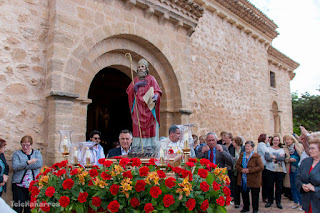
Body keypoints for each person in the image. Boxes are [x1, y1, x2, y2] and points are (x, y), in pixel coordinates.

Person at [126, 58, 162, 154]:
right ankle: (137, 146)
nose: (140, 68)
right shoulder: (135, 80)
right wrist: (135, 87)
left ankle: (150, 146)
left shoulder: (151, 79)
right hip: (138, 108)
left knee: (149, 127)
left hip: (148, 108)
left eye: (142, 66)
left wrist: (156, 96)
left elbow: (157, 91)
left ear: (146, 68)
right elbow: (129, 91)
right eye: (139, 67)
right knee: (137, 127)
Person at [12, 135, 43, 213]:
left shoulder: (36, 153)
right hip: (19, 185)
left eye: (27, 145)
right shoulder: (17, 154)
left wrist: (23, 165)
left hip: (32, 186)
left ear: (31, 144)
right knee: (18, 207)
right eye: (23, 145)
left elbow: (39, 164)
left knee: (29, 208)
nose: (25, 147)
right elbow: (15, 166)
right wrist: (28, 162)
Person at [236, 141, 264, 213]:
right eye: (246, 146)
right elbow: (237, 165)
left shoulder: (256, 156)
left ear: (252, 147)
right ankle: (246, 207)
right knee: (244, 194)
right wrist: (242, 170)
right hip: (243, 178)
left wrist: (249, 170)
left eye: (248, 146)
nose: (247, 148)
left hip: (254, 179)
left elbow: (261, 167)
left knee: (255, 195)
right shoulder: (242, 155)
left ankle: (255, 209)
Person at [296, 136, 320, 212]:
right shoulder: (305, 162)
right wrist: (302, 185)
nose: (310, 151)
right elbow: (298, 177)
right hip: (307, 201)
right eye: (309, 148)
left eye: (313, 148)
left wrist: (315, 189)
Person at [264, 136, 286, 209]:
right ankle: (270, 201)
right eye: (274, 140)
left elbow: (282, 158)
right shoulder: (268, 149)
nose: (276, 142)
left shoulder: (282, 150)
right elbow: (267, 158)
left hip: (279, 170)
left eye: (277, 140)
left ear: (279, 142)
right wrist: (277, 157)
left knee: (279, 187)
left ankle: (278, 202)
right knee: (270, 186)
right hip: (270, 170)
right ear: (272, 141)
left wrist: (273, 157)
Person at [283, 134, 304, 210]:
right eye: (286, 140)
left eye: (289, 139)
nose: (287, 141)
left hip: (298, 169)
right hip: (290, 169)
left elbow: (302, 155)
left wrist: (296, 159)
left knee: (299, 186)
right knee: (292, 186)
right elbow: (284, 159)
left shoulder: (297, 146)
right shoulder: (284, 148)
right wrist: (288, 160)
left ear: (292, 140)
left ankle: (301, 203)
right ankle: (295, 202)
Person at [232, 136, 245, 209]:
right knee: (235, 187)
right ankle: (237, 202)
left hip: (241, 171)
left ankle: (244, 202)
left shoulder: (243, 149)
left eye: (233, 142)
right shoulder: (232, 150)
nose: (232, 143)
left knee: (242, 187)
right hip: (234, 171)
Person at [256, 133, 269, 203]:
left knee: (265, 181)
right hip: (264, 165)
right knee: (265, 182)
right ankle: (265, 196)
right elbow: (267, 152)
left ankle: (266, 195)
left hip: (265, 165)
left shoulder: (264, 144)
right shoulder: (261, 144)